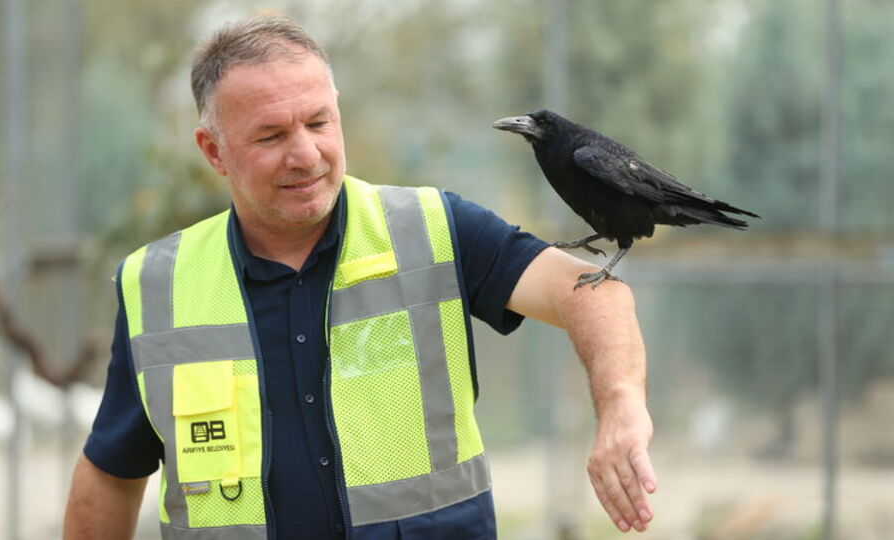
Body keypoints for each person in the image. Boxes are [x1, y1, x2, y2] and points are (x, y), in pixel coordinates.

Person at [63, 16, 655, 540]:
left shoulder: (436, 230)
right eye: (271, 136)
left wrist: (622, 406)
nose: (307, 154)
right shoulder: (155, 286)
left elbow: (593, 298)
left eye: (319, 122)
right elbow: (113, 473)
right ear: (214, 152)